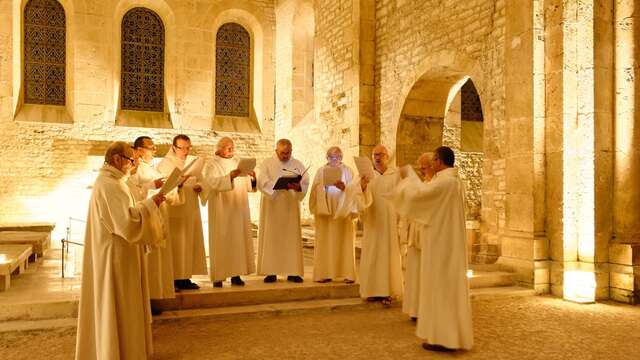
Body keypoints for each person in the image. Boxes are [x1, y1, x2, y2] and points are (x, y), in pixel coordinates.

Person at [75, 141, 165, 360]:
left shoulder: (114, 182)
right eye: (130, 160)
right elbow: (126, 223)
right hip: (116, 256)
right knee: (120, 304)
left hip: (119, 252)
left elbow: (126, 215)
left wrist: (149, 204)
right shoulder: (110, 185)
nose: (133, 164)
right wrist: (151, 204)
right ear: (116, 159)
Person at [391, 146, 473, 351]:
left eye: (434, 160)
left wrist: (408, 175)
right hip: (446, 244)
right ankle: (448, 336)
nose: (431, 164)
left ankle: (443, 338)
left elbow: (419, 196)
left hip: (442, 246)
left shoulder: (445, 182)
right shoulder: (453, 182)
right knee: (445, 289)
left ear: (439, 161)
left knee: (441, 289)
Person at [128, 136, 182, 308]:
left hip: (158, 215)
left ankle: (157, 294)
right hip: (147, 219)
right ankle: (148, 298)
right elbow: (133, 192)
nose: (154, 150)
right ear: (139, 150)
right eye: (151, 147)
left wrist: (175, 185)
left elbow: (163, 189)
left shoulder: (149, 168)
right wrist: (153, 185)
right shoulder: (134, 169)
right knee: (150, 261)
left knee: (158, 260)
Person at [201, 137, 255, 287]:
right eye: (228, 148)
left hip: (238, 207)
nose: (231, 150)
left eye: (232, 147)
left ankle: (236, 275)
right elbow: (210, 182)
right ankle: (219, 276)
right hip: (221, 208)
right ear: (219, 149)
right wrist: (229, 177)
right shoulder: (212, 164)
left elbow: (247, 186)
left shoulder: (236, 162)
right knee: (221, 240)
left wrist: (251, 178)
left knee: (237, 240)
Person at [354, 144, 403, 304]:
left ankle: (387, 291)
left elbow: (402, 197)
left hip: (389, 221)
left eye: (380, 154)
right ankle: (372, 290)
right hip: (373, 221)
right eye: (375, 154)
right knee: (373, 253)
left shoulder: (395, 175)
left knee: (387, 255)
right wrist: (362, 187)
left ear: (387, 157)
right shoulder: (366, 176)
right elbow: (358, 197)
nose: (377, 157)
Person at [157, 134, 207, 290]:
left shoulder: (192, 162)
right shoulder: (165, 164)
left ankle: (185, 277)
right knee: (176, 244)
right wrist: (179, 184)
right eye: (182, 148)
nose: (185, 151)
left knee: (189, 242)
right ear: (173, 147)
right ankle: (173, 278)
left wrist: (201, 186)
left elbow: (201, 180)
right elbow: (164, 188)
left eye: (188, 147)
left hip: (191, 209)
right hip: (174, 210)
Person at [256, 139, 309, 283]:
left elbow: (305, 181)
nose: (286, 156)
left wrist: (297, 187)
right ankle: (271, 271)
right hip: (272, 206)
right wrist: (277, 185)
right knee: (272, 237)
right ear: (276, 151)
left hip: (290, 206)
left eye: (288, 153)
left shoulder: (297, 164)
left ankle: (293, 272)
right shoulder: (267, 163)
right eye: (282, 153)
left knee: (291, 238)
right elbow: (261, 181)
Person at [309, 146, 357, 283]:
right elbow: (313, 191)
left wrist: (344, 188)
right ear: (327, 158)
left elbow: (355, 191)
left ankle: (347, 274)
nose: (333, 160)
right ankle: (324, 273)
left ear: (341, 158)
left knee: (345, 242)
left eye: (336, 157)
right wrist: (322, 187)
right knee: (325, 242)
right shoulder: (321, 171)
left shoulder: (348, 172)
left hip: (342, 213)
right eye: (330, 157)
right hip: (326, 213)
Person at [400, 153, 434, 321]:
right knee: (414, 273)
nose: (421, 171)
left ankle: (425, 310)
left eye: (424, 167)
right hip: (416, 233)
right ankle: (415, 309)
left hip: (427, 236)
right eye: (420, 168)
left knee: (424, 274)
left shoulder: (435, 185)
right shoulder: (425, 184)